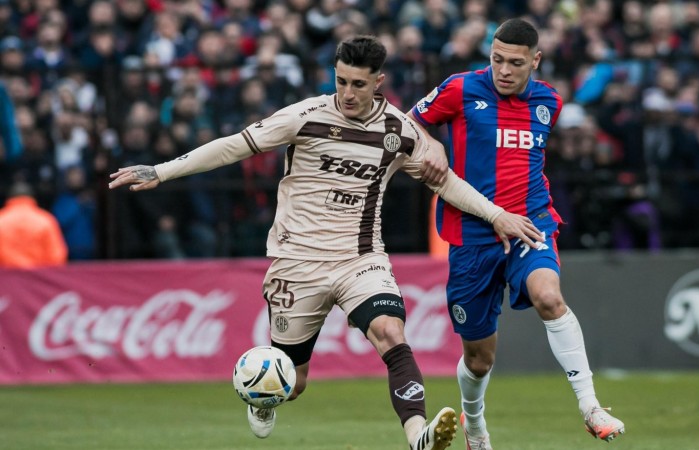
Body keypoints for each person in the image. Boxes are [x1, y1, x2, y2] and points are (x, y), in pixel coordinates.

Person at [109, 35, 543, 450]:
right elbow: (233, 147)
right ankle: (263, 396)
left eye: (358, 84)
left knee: (391, 333)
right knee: (292, 383)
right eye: (341, 81)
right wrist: (161, 171)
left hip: (361, 258)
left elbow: (445, 183)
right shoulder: (307, 116)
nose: (348, 93)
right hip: (298, 262)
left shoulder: (399, 131)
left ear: (378, 82)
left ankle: (417, 436)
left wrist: (498, 215)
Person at [409, 19, 626, 449]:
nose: (503, 71)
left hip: (530, 222)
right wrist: (431, 143)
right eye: (496, 60)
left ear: (535, 61)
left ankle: (590, 407)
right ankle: (475, 426)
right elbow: (409, 123)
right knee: (479, 357)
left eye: (514, 63)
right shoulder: (461, 89)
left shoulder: (549, 102)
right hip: (471, 235)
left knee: (549, 296)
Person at [0, 181, 68, 268]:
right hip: (37, 278)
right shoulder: (45, 220)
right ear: (33, 198)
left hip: (5, 278)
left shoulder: (2, 219)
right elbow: (57, 257)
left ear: (9, 199)